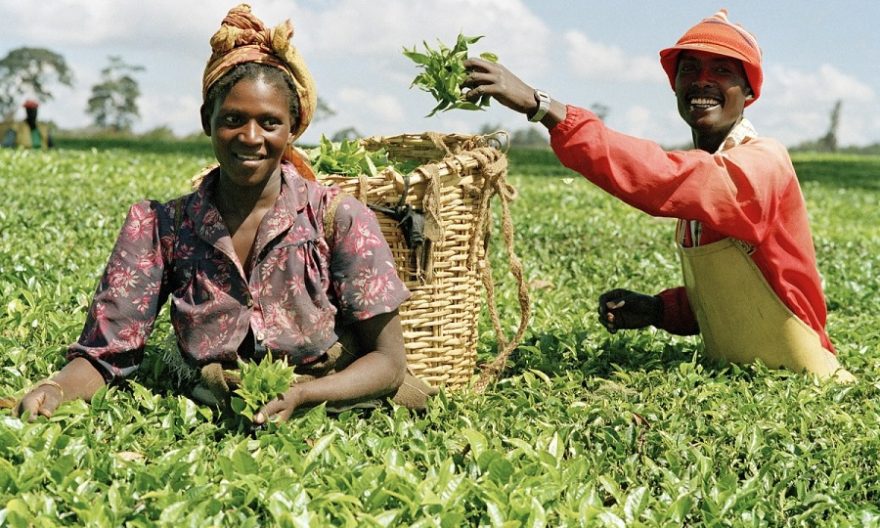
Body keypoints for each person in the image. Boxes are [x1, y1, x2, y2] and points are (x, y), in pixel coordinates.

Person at [15, 4, 435, 424]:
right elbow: (106, 354)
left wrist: (305, 395)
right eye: (233, 119)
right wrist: (55, 390)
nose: (251, 137)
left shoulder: (338, 217)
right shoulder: (162, 227)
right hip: (216, 407)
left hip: (327, 401)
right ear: (207, 121)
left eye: (269, 123)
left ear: (293, 128)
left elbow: (388, 362)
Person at [462, 9, 854, 382]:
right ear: (677, 86)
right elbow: (732, 300)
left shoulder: (763, 162)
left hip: (805, 378)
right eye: (690, 70)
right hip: (741, 376)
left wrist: (543, 107)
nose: (703, 80)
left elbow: (665, 176)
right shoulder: (706, 177)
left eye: (722, 70)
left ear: (749, 91)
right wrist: (659, 309)